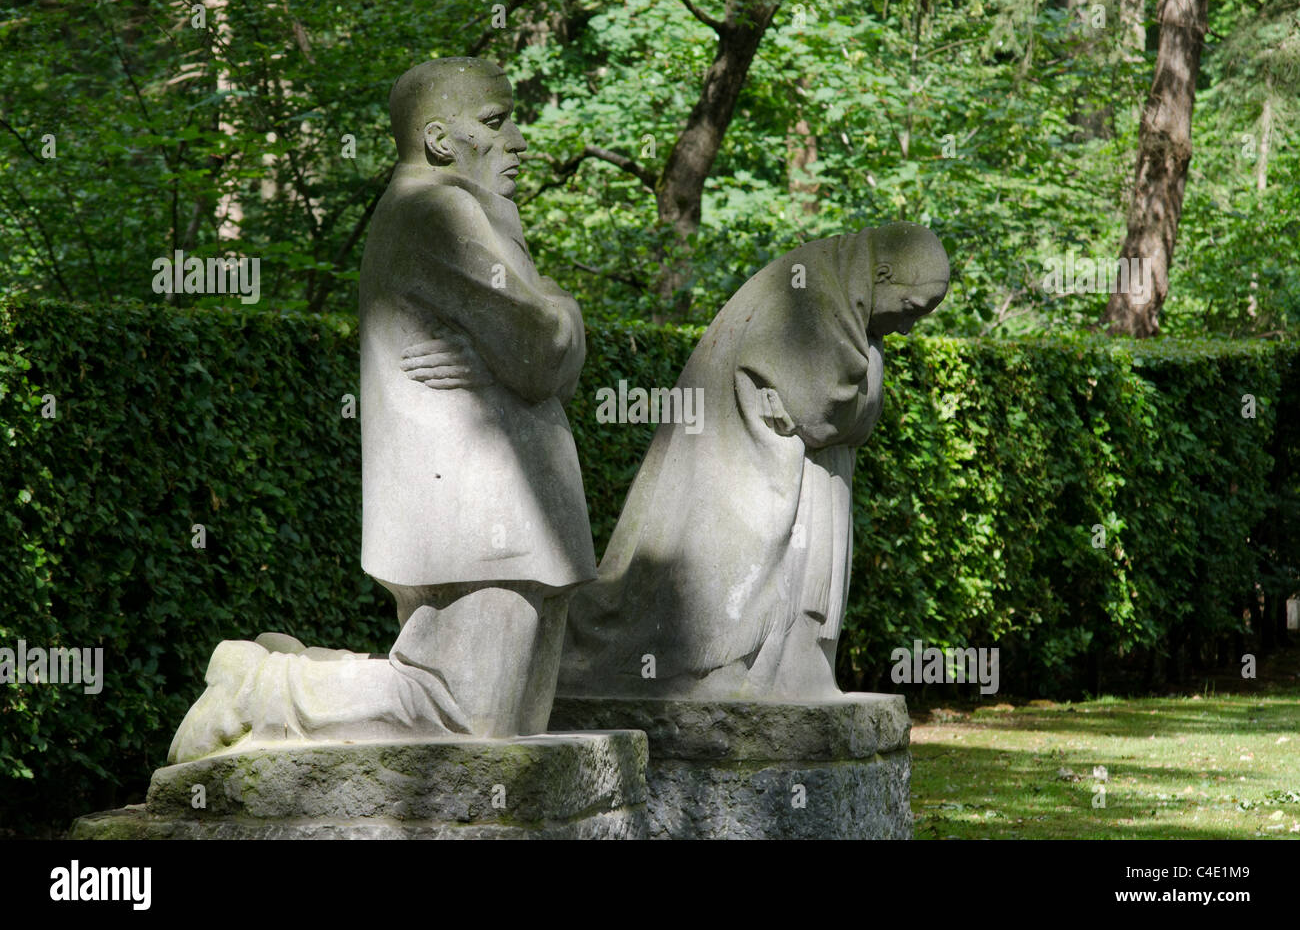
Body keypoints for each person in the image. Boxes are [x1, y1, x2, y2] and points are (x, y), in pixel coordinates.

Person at [169, 58, 595, 762]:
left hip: (519, 520)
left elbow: (543, 351)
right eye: (496, 122)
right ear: (438, 139)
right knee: (463, 717)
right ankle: (263, 687)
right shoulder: (435, 208)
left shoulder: (479, 214)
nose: (519, 140)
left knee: (503, 730)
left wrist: (549, 323)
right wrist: (551, 323)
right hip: (477, 524)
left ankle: (285, 669)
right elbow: (541, 351)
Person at [559, 222, 949, 701]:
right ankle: (727, 670)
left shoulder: (838, 293)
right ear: (883, 274)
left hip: (791, 474)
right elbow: (820, 412)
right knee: (719, 584)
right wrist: (861, 390)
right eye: (911, 309)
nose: (909, 327)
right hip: (740, 477)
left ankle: (793, 670)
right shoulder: (812, 292)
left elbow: (841, 415)